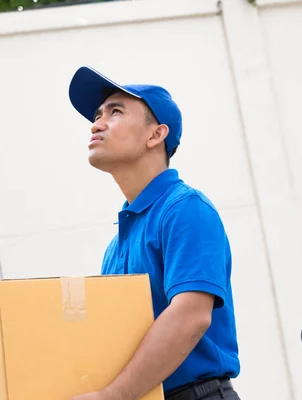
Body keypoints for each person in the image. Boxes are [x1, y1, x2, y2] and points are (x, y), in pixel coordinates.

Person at [68, 66, 241, 400]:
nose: (97, 123)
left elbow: (191, 316)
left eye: (115, 111)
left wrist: (113, 395)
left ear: (155, 135)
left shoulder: (185, 209)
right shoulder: (116, 245)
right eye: (97, 114)